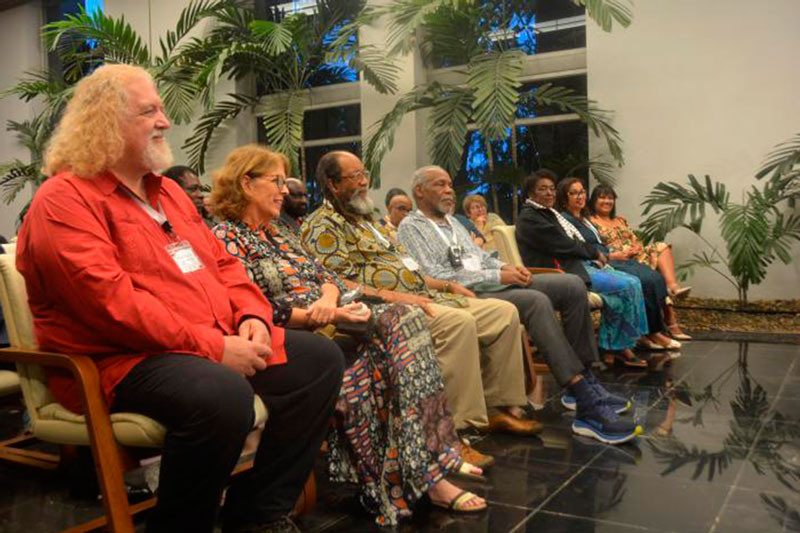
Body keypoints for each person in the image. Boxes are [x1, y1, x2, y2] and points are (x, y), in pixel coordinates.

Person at [15, 64, 345, 533]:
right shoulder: (63, 200)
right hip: (119, 361)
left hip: (202, 342)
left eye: (162, 109)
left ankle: (257, 515)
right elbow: (111, 304)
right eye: (150, 110)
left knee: (318, 359)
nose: (165, 121)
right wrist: (214, 348)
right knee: (221, 394)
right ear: (105, 122)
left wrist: (251, 315)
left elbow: (225, 266)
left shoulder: (167, 190)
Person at [209, 144, 486, 523]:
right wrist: (315, 314)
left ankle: (424, 467)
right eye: (276, 181)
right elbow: (246, 305)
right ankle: (430, 465)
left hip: (333, 319)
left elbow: (327, 277)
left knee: (401, 326)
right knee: (396, 333)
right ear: (246, 183)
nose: (284, 191)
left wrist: (330, 301)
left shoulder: (283, 234)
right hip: (297, 336)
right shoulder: (226, 237)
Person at [301, 151, 541, 443]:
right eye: (355, 177)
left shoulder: (369, 221)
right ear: (332, 184)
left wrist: (447, 286)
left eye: (365, 174)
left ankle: (498, 407)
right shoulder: (321, 225)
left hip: (422, 294)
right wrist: (402, 298)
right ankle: (457, 429)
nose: (364, 182)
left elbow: (407, 268)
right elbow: (338, 283)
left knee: (503, 313)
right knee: (459, 323)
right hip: (381, 306)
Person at [398, 166, 641, 445]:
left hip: (494, 282)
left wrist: (508, 266)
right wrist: (498, 275)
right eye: (439, 185)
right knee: (536, 301)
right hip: (469, 294)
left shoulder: (454, 223)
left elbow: (481, 257)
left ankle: (584, 379)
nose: (448, 190)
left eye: (450, 184)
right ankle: (586, 401)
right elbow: (437, 276)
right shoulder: (411, 227)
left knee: (572, 284)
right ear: (419, 191)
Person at [552, 177, 656, 365]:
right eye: (573, 193)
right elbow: (577, 249)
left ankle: (614, 347)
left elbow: (600, 246)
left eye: (582, 192)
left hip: (597, 265)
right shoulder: (563, 220)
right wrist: (601, 256)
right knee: (629, 285)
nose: (579, 196)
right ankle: (624, 346)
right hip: (580, 270)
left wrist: (604, 255)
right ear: (564, 197)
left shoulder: (584, 220)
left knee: (625, 291)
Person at [589, 184, 691, 341]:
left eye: (610, 198)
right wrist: (621, 253)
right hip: (618, 259)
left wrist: (636, 247)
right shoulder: (591, 222)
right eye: (602, 197)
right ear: (594, 201)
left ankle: (673, 287)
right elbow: (599, 248)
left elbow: (634, 239)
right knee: (654, 277)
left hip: (635, 256)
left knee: (661, 247)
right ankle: (669, 320)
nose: (607, 201)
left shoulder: (620, 220)